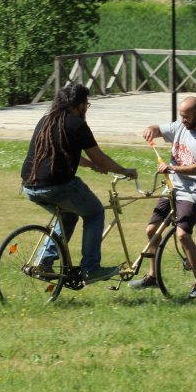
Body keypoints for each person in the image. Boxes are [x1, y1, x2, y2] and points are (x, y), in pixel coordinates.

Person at [21, 84, 137, 283]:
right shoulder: (77, 124)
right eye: (86, 104)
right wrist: (125, 171)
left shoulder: (47, 120)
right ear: (80, 105)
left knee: (68, 215)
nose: (86, 109)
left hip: (30, 186)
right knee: (95, 212)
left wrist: (90, 165)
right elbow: (100, 158)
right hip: (57, 186)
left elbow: (61, 153)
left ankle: (44, 262)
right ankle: (91, 268)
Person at [131, 96, 196, 298]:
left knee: (182, 235)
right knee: (151, 230)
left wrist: (172, 168)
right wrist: (151, 129)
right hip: (172, 188)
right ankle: (153, 277)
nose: (183, 120)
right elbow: (159, 130)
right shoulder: (180, 126)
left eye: (186, 116)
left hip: (193, 192)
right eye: (181, 116)